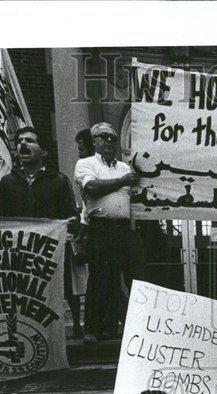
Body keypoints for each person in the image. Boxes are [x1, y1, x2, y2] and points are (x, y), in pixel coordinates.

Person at [0, 127, 83, 337]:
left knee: (65, 285)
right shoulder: (7, 182)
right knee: (21, 290)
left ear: (44, 152)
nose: (23, 144)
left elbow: (71, 214)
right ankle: (19, 331)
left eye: (30, 141)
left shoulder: (58, 181)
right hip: (20, 249)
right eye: (20, 141)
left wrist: (71, 221)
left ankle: (77, 326)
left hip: (51, 246)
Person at [74, 121, 141, 340]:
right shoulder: (86, 164)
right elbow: (91, 188)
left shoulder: (125, 167)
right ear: (94, 141)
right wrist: (122, 182)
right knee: (99, 279)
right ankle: (92, 330)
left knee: (135, 278)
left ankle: (134, 328)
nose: (110, 141)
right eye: (104, 137)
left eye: (113, 137)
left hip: (124, 229)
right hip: (101, 228)